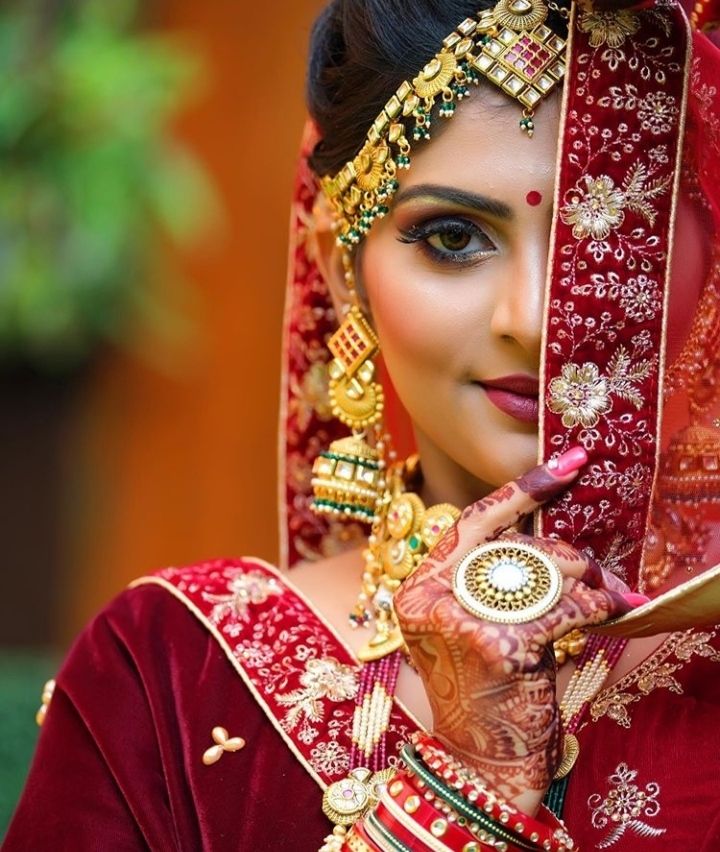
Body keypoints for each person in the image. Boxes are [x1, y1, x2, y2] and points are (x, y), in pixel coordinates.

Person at [5, 0, 720, 848]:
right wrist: (467, 790)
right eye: (453, 236)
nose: (532, 318)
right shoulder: (170, 670)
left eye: (613, 231)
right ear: (341, 268)